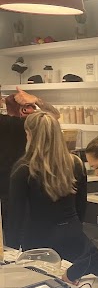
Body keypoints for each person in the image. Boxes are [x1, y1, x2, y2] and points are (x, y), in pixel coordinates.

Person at [6, 112, 98, 283]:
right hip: (73, 235)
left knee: (39, 286)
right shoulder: (75, 163)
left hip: (38, 238)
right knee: (74, 286)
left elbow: (15, 215)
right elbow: (81, 207)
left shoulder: (24, 169)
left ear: (30, 135)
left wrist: (9, 250)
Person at [0, 87, 60, 247]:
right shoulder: (18, 125)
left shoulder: (9, 124)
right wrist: (36, 100)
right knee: (20, 240)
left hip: (9, 191)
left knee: (9, 241)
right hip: (21, 190)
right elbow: (54, 116)